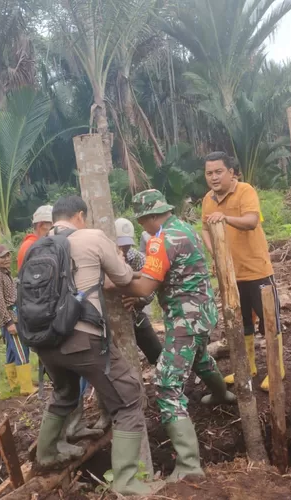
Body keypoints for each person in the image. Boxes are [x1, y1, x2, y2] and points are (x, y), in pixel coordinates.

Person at [32, 196, 160, 496]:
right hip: (82, 337)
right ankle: (127, 483)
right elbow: (125, 276)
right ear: (79, 216)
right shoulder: (91, 236)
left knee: (64, 392)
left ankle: (46, 454)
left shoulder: (37, 246)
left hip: (42, 341)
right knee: (129, 397)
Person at [119, 189, 235, 482]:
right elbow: (164, 276)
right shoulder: (185, 229)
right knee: (200, 358)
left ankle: (188, 465)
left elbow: (146, 286)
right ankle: (221, 394)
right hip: (202, 313)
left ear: (150, 216)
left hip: (185, 319)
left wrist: (114, 284)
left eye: (142, 221)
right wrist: (139, 287)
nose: (142, 226)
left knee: (167, 385)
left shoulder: (161, 240)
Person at [200, 152, 283, 392]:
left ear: (231, 172)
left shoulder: (245, 191)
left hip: (256, 270)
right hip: (230, 274)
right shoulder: (208, 199)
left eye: (218, 172)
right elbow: (205, 227)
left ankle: (276, 369)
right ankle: (247, 368)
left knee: (270, 322)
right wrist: (215, 252)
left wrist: (225, 218)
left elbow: (251, 221)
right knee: (240, 321)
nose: (214, 177)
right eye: (209, 173)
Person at [116, 217, 163, 366]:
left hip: (135, 314)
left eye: (127, 245)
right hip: (111, 317)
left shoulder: (137, 258)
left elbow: (152, 289)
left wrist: (137, 299)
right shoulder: (101, 258)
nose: (124, 249)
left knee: (157, 354)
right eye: (121, 245)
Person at [0, 244, 35, 396]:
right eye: (3, 257)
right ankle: (27, 387)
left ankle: (14, 384)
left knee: (11, 351)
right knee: (22, 351)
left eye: (8, 255)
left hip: (14, 315)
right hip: (11, 318)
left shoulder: (5, 273)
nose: (7, 259)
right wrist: (9, 323)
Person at [17, 205, 53, 269]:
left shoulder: (30, 244)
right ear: (39, 225)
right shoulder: (33, 247)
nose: (53, 231)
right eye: (52, 227)